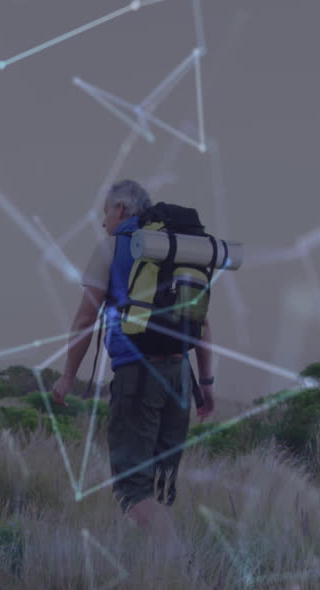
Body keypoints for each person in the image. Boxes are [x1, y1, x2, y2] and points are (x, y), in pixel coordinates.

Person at [51, 179, 215, 567]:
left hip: (137, 378)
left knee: (134, 493)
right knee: (157, 489)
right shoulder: (178, 251)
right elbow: (202, 323)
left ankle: (182, 570)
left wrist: (68, 376)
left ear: (121, 210)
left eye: (105, 211)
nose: (103, 219)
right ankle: (160, 583)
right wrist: (205, 384)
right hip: (180, 378)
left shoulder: (112, 247)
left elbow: (85, 317)